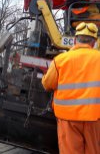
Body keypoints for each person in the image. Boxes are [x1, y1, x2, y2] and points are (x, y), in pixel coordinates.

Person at [41, 22, 100, 154]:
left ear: (74, 40)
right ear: (94, 42)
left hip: (68, 119)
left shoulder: (60, 60)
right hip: (95, 118)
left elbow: (47, 84)